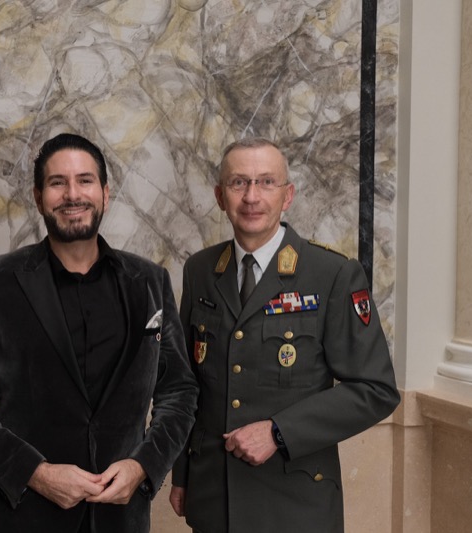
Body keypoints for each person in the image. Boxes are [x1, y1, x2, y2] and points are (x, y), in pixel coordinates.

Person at [0, 132, 198, 533]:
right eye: (58, 183)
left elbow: (179, 392)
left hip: (121, 522)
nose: (73, 194)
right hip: (23, 521)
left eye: (85, 181)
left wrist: (143, 466)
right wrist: (37, 473)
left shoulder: (149, 281)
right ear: (39, 197)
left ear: (105, 193)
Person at [169, 137, 400, 533]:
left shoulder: (332, 274)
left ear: (287, 195)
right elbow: (188, 382)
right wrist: (182, 473)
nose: (251, 196)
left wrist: (278, 432)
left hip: (294, 506)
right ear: (220, 196)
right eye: (239, 183)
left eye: (266, 182)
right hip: (214, 498)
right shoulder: (201, 270)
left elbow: (376, 390)